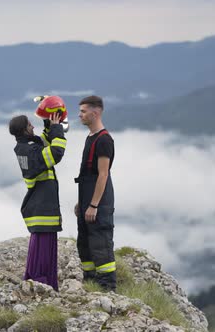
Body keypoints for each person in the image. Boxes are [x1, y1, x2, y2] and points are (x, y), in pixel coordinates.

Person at [8, 111, 66, 291]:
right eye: (29, 125)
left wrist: (48, 124)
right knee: (43, 252)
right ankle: (41, 283)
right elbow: (55, 152)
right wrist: (57, 128)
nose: (33, 126)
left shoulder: (25, 147)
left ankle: (43, 282)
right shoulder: (29, 150)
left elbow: (43, 143)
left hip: (40, 208)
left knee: (42, 250)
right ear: (24, 131)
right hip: (42, 209)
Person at [74, 95, 116, 291]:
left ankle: (108, 288)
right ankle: (90, 283)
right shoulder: (90, 137)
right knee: (85, 242)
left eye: (83, 111)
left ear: (95, 112)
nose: (79, 115)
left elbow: (103, 175)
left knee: (100, 243)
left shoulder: (104, 140)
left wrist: (94, 205)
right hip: (87, 200)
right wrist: (81, 203)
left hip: (99, 203)